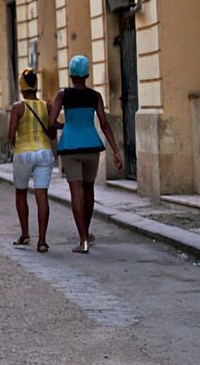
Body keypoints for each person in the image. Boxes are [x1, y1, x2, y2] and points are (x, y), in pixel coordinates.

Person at [48, 55, 123, 253]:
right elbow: (105, 125)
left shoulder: (62, 95)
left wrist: (66, 126)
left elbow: (50, 122)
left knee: (76, 193)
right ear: (87, 74)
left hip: (71, 147)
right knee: (89, 190)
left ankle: (83, 240)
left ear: (71, 75)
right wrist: (116, 151)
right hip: (92, 146)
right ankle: (87, 232)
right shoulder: (95, 96)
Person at [7, 68, 56, 253]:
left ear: (21, 87)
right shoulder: (47, 106)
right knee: (42, 196)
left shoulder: (18, 107)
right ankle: (42, 241)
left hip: (23, 153)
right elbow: (51, 134)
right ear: (36, 85)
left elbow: (11, 134)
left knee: (21, 192)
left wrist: (15, 147)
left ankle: (25, 234)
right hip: (44, 153)